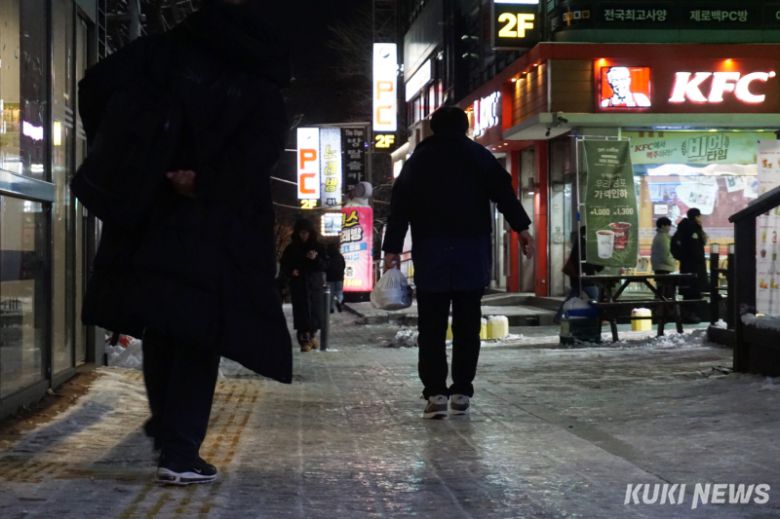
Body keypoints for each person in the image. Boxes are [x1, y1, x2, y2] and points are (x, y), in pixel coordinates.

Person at [78, 0, 292, 485]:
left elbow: (94, 87)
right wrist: (206, 181)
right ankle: (180, 449)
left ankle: (171, 438)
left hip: (148, 216)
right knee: (199, 332)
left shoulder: (160, 54)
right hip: (218, 227)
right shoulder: (254, 75)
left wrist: (128, 157)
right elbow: (259, 150)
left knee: (163, 325)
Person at [382, 106, 534, 419]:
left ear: (434, 128)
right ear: (464, 126)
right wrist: (522, 228)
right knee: (467, 326)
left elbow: (400, 207)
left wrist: (392, 249)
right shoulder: (478, 156)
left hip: (432, 253)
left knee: (432, 327)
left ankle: (436, 393)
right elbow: (504, 194)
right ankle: (462, 391)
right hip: (471, 252)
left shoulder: (419, 160)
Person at [280, 219, 328, 351]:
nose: (304, 236)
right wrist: (291, 271)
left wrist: (315, 259)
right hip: (299, 285)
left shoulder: (318, 247)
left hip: (314, 285)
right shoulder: (291, 248)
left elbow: (325, 265)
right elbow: (284, 265)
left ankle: (312, 336)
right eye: (301, 233)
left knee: (315, 313)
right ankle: (304, 340)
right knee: (302, 314)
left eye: (306, 233)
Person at [555, 227, 602, 323]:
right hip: (583, 276)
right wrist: (598, 266)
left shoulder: (580, 243)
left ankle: (558, 317)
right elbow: (585, 261)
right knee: (595, 296)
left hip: (580, 276)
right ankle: (599, 317)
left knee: (573, 296)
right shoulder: (582, 244)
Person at [671, 208, 708, 322]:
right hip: (694, 266)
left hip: (686, 265)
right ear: (696, 216)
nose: (701, 218)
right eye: (700, 216)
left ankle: (687, 315)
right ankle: (692, 316)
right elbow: (695, 248)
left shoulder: (683, 228)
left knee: (689, 292)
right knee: (694, 291)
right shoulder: (693, 229)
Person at [325, 243, 346, 313]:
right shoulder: (340, 256)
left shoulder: (327, 256)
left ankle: (331, 308)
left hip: (330, 278)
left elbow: (325, 266)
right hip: (339, 277)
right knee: (339, 292)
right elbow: (344, 265)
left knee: (330, 294)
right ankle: (339, 301)